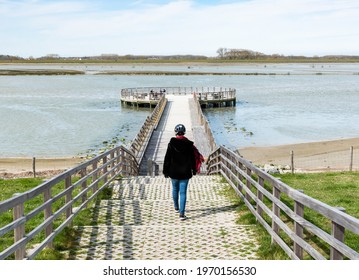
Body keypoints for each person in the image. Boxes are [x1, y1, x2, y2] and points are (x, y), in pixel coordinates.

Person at [163, 124, 197, 220]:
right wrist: (194, 170)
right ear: (184, 132)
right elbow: (192, 159)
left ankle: (176, 207)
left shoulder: (171, 144)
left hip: (173, 171)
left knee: (175, 189)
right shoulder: (189, 145)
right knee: (183, 193)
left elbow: (167, 159)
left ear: (176, 132)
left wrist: (165, 171)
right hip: (185, 172)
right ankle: (182, 214)